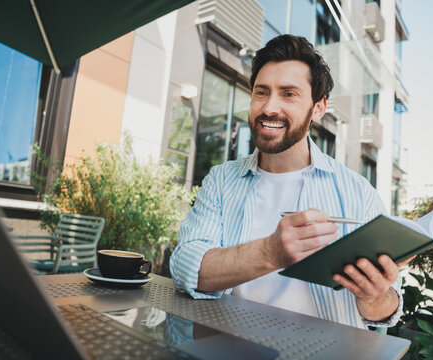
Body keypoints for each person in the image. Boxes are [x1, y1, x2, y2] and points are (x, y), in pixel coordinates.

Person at [170, 34, 404, 329]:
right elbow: (184, 267)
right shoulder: (222, 180)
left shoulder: (358, 193)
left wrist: (373, 298)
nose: (269, 107)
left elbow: (387, 309)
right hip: (230, 349)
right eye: (261, 92)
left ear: (318, 108)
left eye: (288, 94)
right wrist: (270, 252)